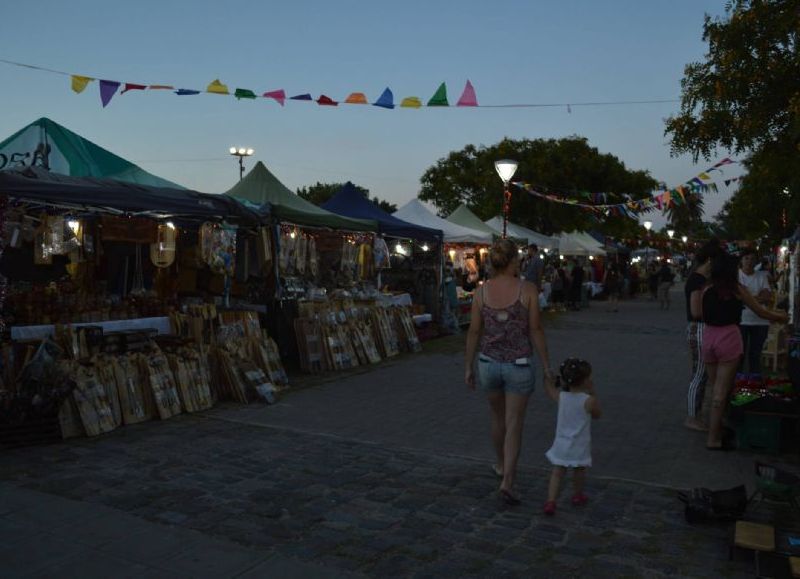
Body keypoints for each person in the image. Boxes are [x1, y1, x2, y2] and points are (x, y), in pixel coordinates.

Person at [465, 238, 553, 505]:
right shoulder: (527, 290)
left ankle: (501, 464)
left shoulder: (481, 292)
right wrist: (547, 365)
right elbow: (535, 330)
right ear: (514, 261)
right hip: (519, 365)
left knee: (497, 416)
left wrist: (468, 365)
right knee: (514, 423)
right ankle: (508, 481)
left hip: (488, 364)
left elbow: (474, 330)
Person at [690, 251, 788, 450]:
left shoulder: (705, 288)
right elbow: (760, 311)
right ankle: (713, 439)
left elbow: (698, 313)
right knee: (721, 391)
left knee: (714, 386)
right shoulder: (735, 288)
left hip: (708, 338)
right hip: (729, 338)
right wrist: (782, 318)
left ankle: (716, 429)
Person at [542, 358, 601, 516]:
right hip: (579, 444)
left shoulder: (562, 397)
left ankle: (551, 501)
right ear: (585, 381)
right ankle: (577, 495)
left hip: (561, 442)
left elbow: (549, 389)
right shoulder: (588, 401)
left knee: (557, 472)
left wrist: (548, 378)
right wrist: (593, 392)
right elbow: (597, 415)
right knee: (579, 469)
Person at [683, 240, 722, 431]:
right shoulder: (697, 280)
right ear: (709, 260)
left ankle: (696, 414)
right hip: (698, 328)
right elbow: (696, 311)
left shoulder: (701, 279)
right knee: (698, 374)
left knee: (702, 374)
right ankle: (692, 416)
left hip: (701, 328)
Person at [738, 249, 773, 375]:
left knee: (755, 355)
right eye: (746, 258)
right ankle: (738, 386)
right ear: (741, 260)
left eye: (752, 259)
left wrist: (746, 298)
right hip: (741, 321)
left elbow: (767, 297)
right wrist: (757, 297)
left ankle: (754, 387)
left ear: (756, 261)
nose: (749, 261)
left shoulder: (762, 276)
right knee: (739, 355)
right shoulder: (735, 276)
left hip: (760, 322)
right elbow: (736, 298)